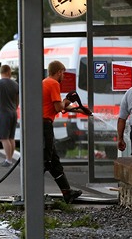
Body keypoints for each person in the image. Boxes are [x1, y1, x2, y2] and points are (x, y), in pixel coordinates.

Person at [43, 60, 83, 203]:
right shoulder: (53, 83)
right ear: (59, 71)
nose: (64, 76)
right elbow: (59, 108)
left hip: (43, 124)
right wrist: (67, 100)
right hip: (45, 125)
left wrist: (74, 107)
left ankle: (67, 192)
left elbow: (56, 106)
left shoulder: (45, 82)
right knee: (45, 160)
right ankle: (32, 192)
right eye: (63, 73)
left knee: (54, 161)